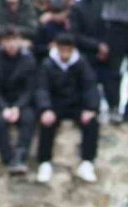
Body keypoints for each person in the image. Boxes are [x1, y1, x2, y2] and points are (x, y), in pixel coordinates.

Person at [35, 33, 100, 183]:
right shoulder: (47, 65)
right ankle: (44, 162)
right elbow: (42, 89)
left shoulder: (82, 64)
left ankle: (87, 163)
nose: (65, 53)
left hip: (76, 105)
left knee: (91, 123)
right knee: (46, 124)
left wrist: (90, 108)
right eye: (62, 49)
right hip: (54, 105)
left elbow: (90, 86)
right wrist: (45, 108)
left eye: (68, 50)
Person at [0, 26, 37, 174]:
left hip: (19, 102)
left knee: (29, 118)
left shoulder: (28, 60)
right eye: (7, 40)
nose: (11, 44)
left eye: (14, 40)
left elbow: (29, 90)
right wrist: (3, 107)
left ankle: (21, 156)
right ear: (1, 42)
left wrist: (17, 107)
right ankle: (7, 158)